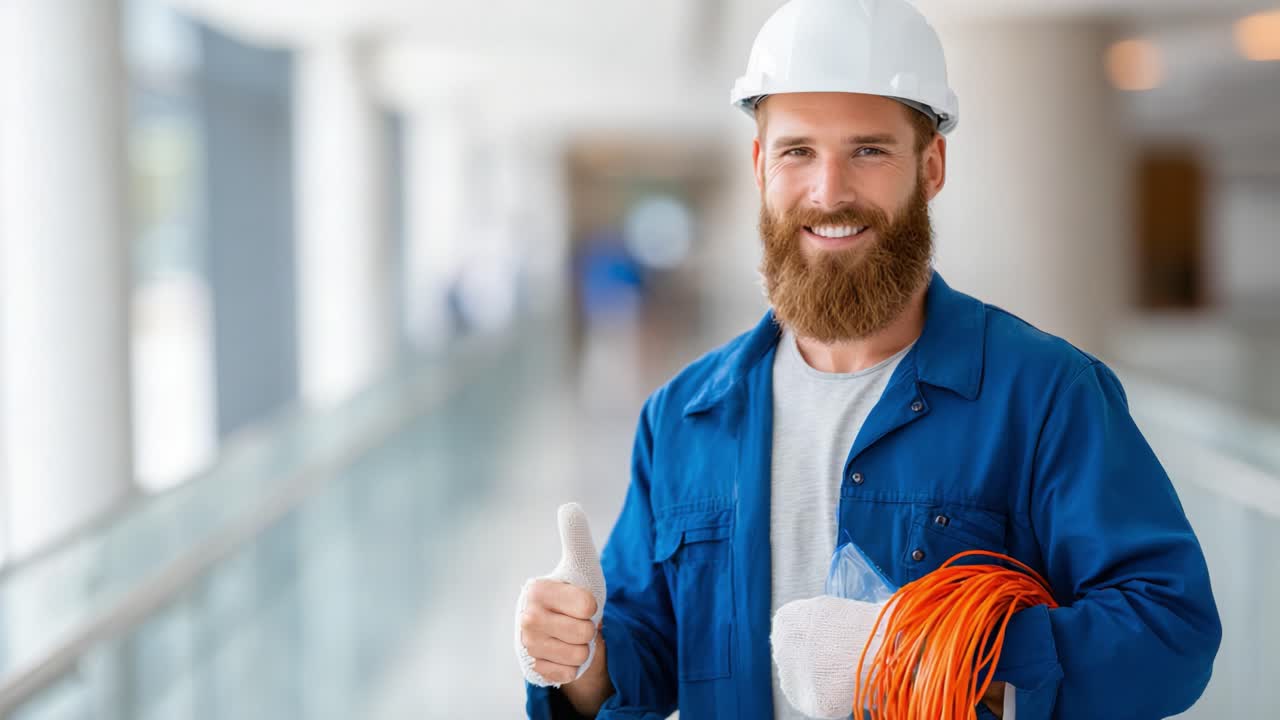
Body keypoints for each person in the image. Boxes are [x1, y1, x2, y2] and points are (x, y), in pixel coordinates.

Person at [515, 0, 1222, 718]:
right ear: (761, 166)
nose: (829, 192)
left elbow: (1169, 635)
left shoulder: (1045, 396)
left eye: (869, 151)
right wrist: (579, 656)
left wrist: (926, 651)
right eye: (798, 151)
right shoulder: (683, 418)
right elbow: (647, 657)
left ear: (930, 167)